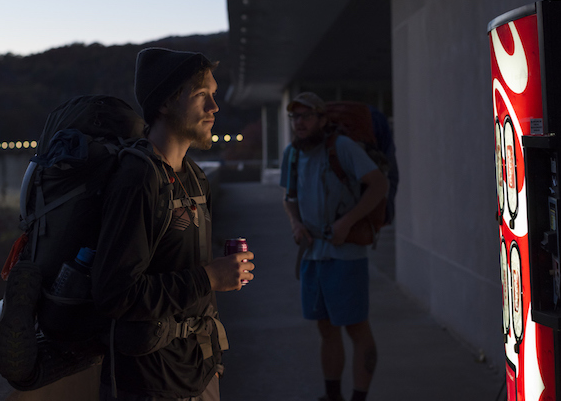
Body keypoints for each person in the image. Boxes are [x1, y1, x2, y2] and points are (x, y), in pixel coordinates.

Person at [91, 47, 255, 400]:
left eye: (213, 95)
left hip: (200, 370)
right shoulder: (137, 178)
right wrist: (210, 277)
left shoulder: (195, 177)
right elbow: (115, 293)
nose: (214, 107)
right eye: (201, 96)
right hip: (151, 383)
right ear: (164, 103)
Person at [280, 92, 388, 401]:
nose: (299, 123)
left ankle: (358, 397)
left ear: (322, 120)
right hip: (313, 256)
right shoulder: (293, 154)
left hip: (345, 256)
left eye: (306, 116)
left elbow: (379, 185)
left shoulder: (343, 147)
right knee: (326, 329)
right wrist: (296, 224)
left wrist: (347, 223)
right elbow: (288, 198)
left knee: (356, 328)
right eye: (295, 117)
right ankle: (333, 396)